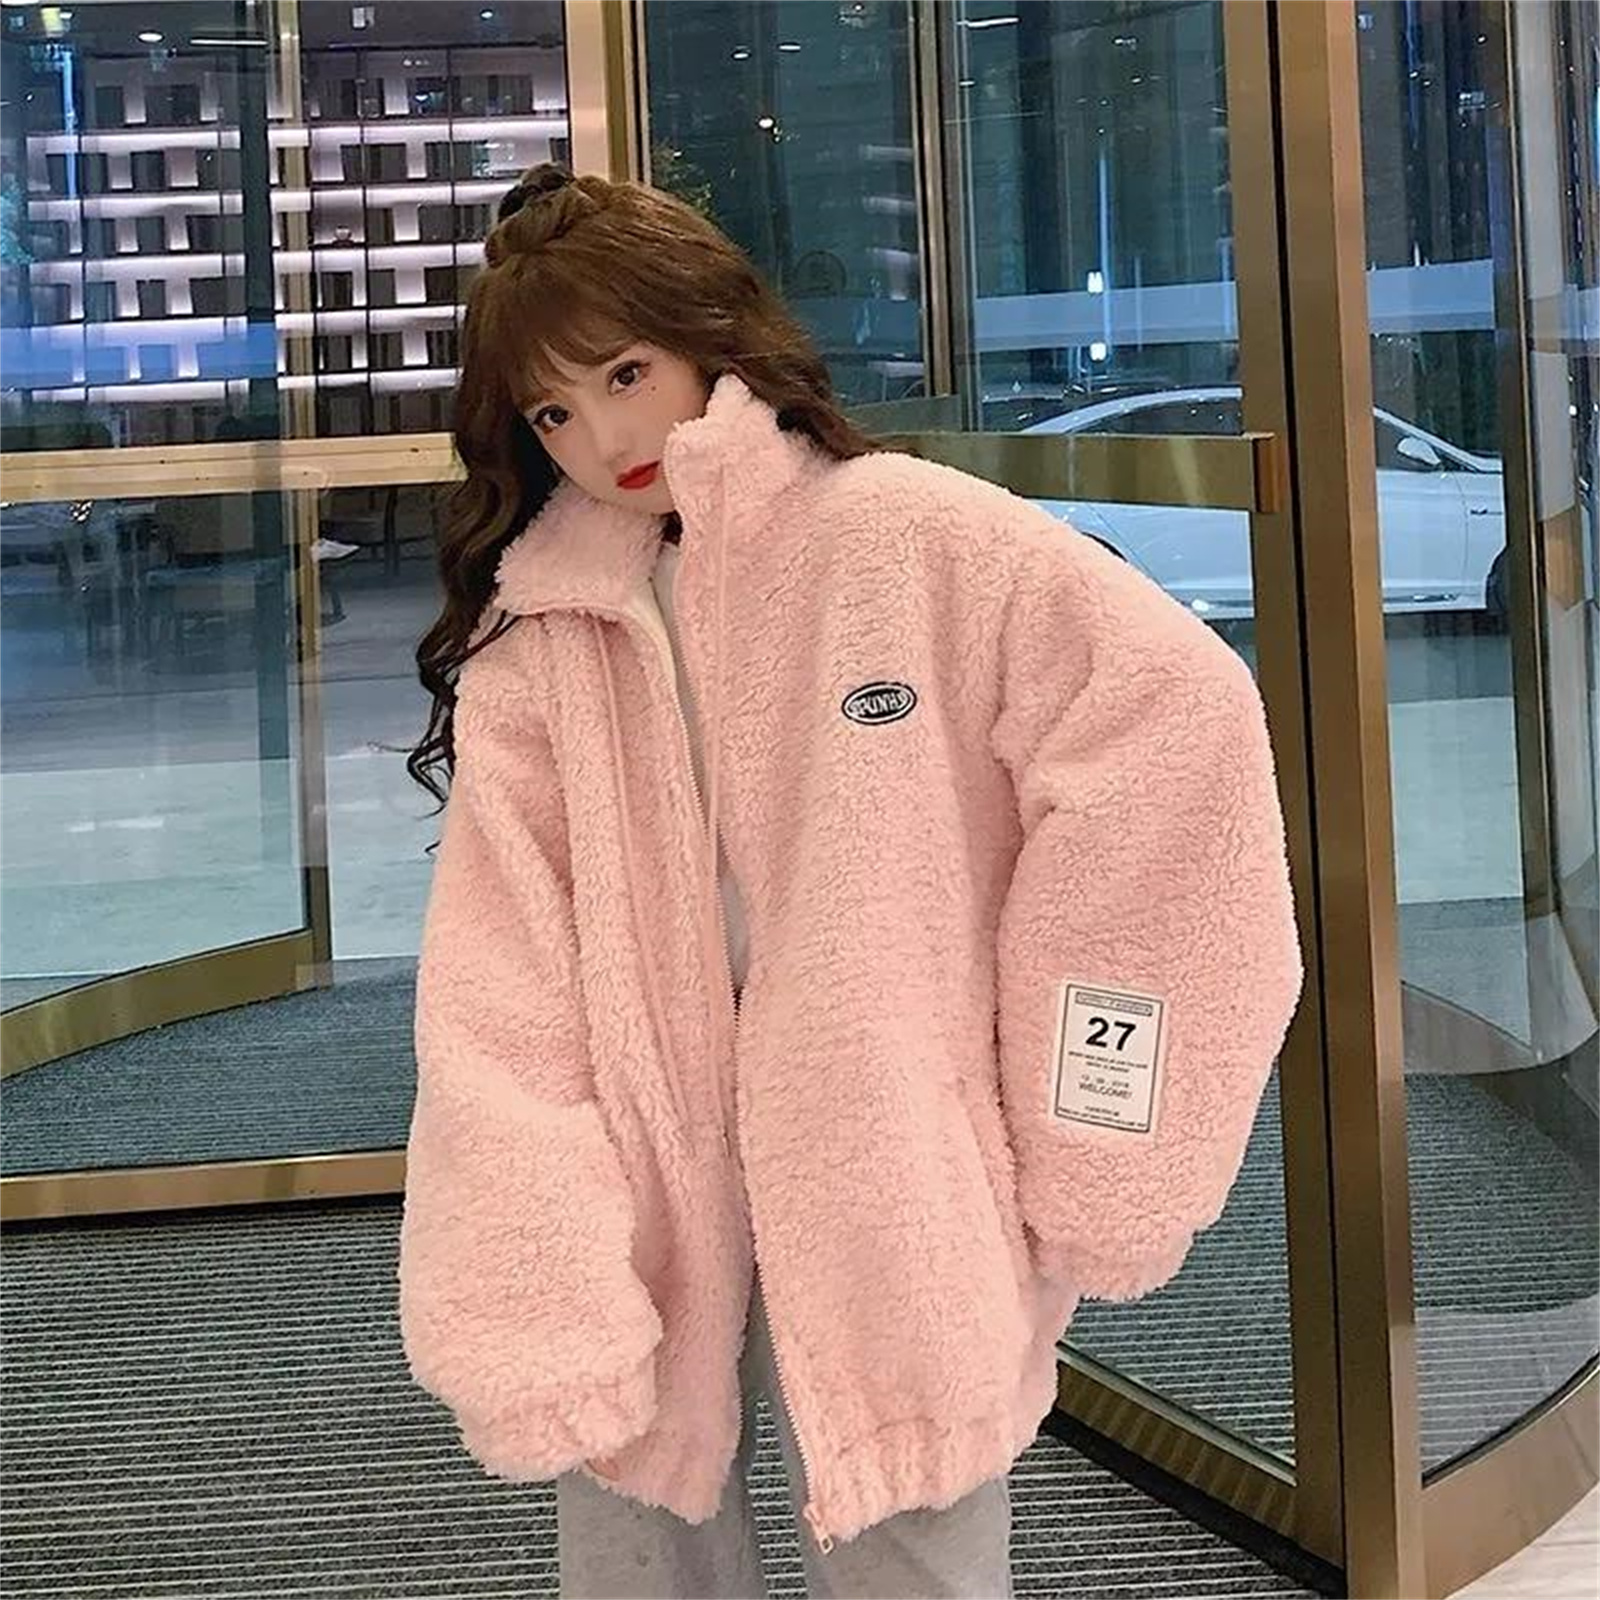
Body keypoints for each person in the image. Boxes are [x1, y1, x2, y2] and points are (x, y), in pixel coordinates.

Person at [395, 163, 1303, 1600]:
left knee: (915, 1505)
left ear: (711, 338)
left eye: (626, 375)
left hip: (889, 1131)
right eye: (555, 413)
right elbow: (501, 972)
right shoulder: (547, 630)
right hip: (640, 1148)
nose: (605, 438)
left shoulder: (906, 535)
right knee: (632, 1511)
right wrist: (527, 1225)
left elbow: (1173, 733)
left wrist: (1080, 1114)